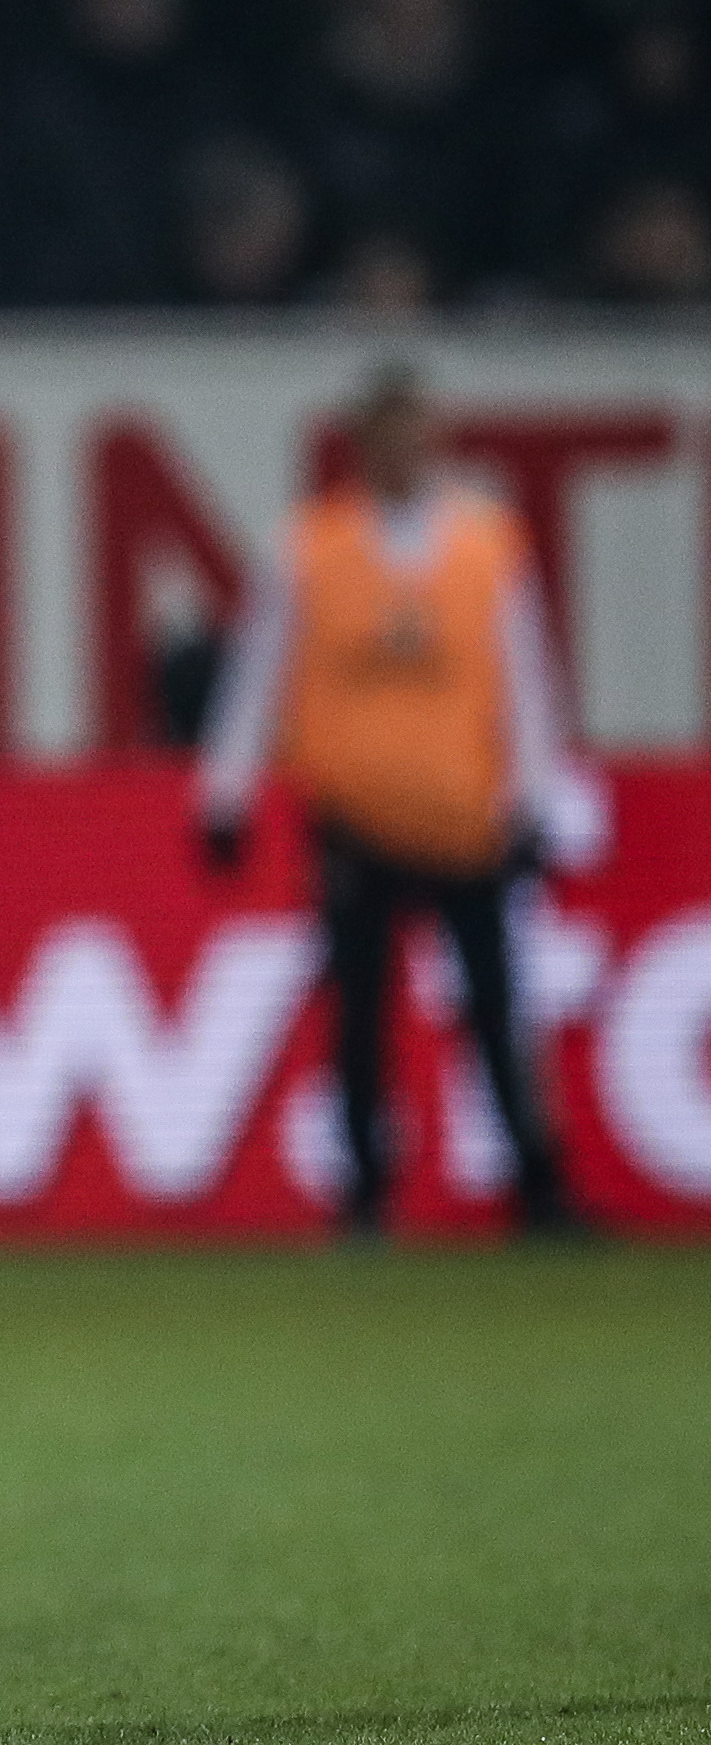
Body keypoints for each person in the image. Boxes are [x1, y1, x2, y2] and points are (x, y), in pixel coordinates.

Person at [195, 365, 603, 1236]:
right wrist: (223, 791)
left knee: (497, 1009)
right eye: (390, 434)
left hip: (467, 816)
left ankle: (537, 1188)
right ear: (362, 443)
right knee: (360, 1013)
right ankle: (365, 1192)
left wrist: (539, 799)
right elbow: (258, 671)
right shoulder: (309, 545)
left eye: (416, 432)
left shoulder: (489, 543)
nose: (405, 450)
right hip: (356, 815)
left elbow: (526, 679)